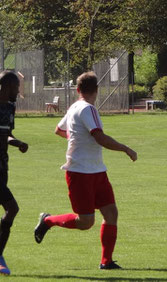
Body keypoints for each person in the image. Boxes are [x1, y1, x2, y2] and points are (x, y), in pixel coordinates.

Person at [34, 71, 137, 270]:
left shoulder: (74, 107)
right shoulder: (88, 109)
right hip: (80, 172)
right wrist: (126, 148)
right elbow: (100, 138)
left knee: (111, 213)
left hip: (97, 170)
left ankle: (106, 262)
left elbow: (59, 130)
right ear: (97, 90)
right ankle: (47, 221)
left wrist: (76, 139)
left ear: (78, 89)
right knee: (85, 222)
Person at [0, 72, 28, 275]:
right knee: (12, 208)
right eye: (17, 86)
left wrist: (16, 142)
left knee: (11, 209)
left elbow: (6, 134)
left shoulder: (10, 107)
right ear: (7, 85)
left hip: (2, 166)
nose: (19, 90)